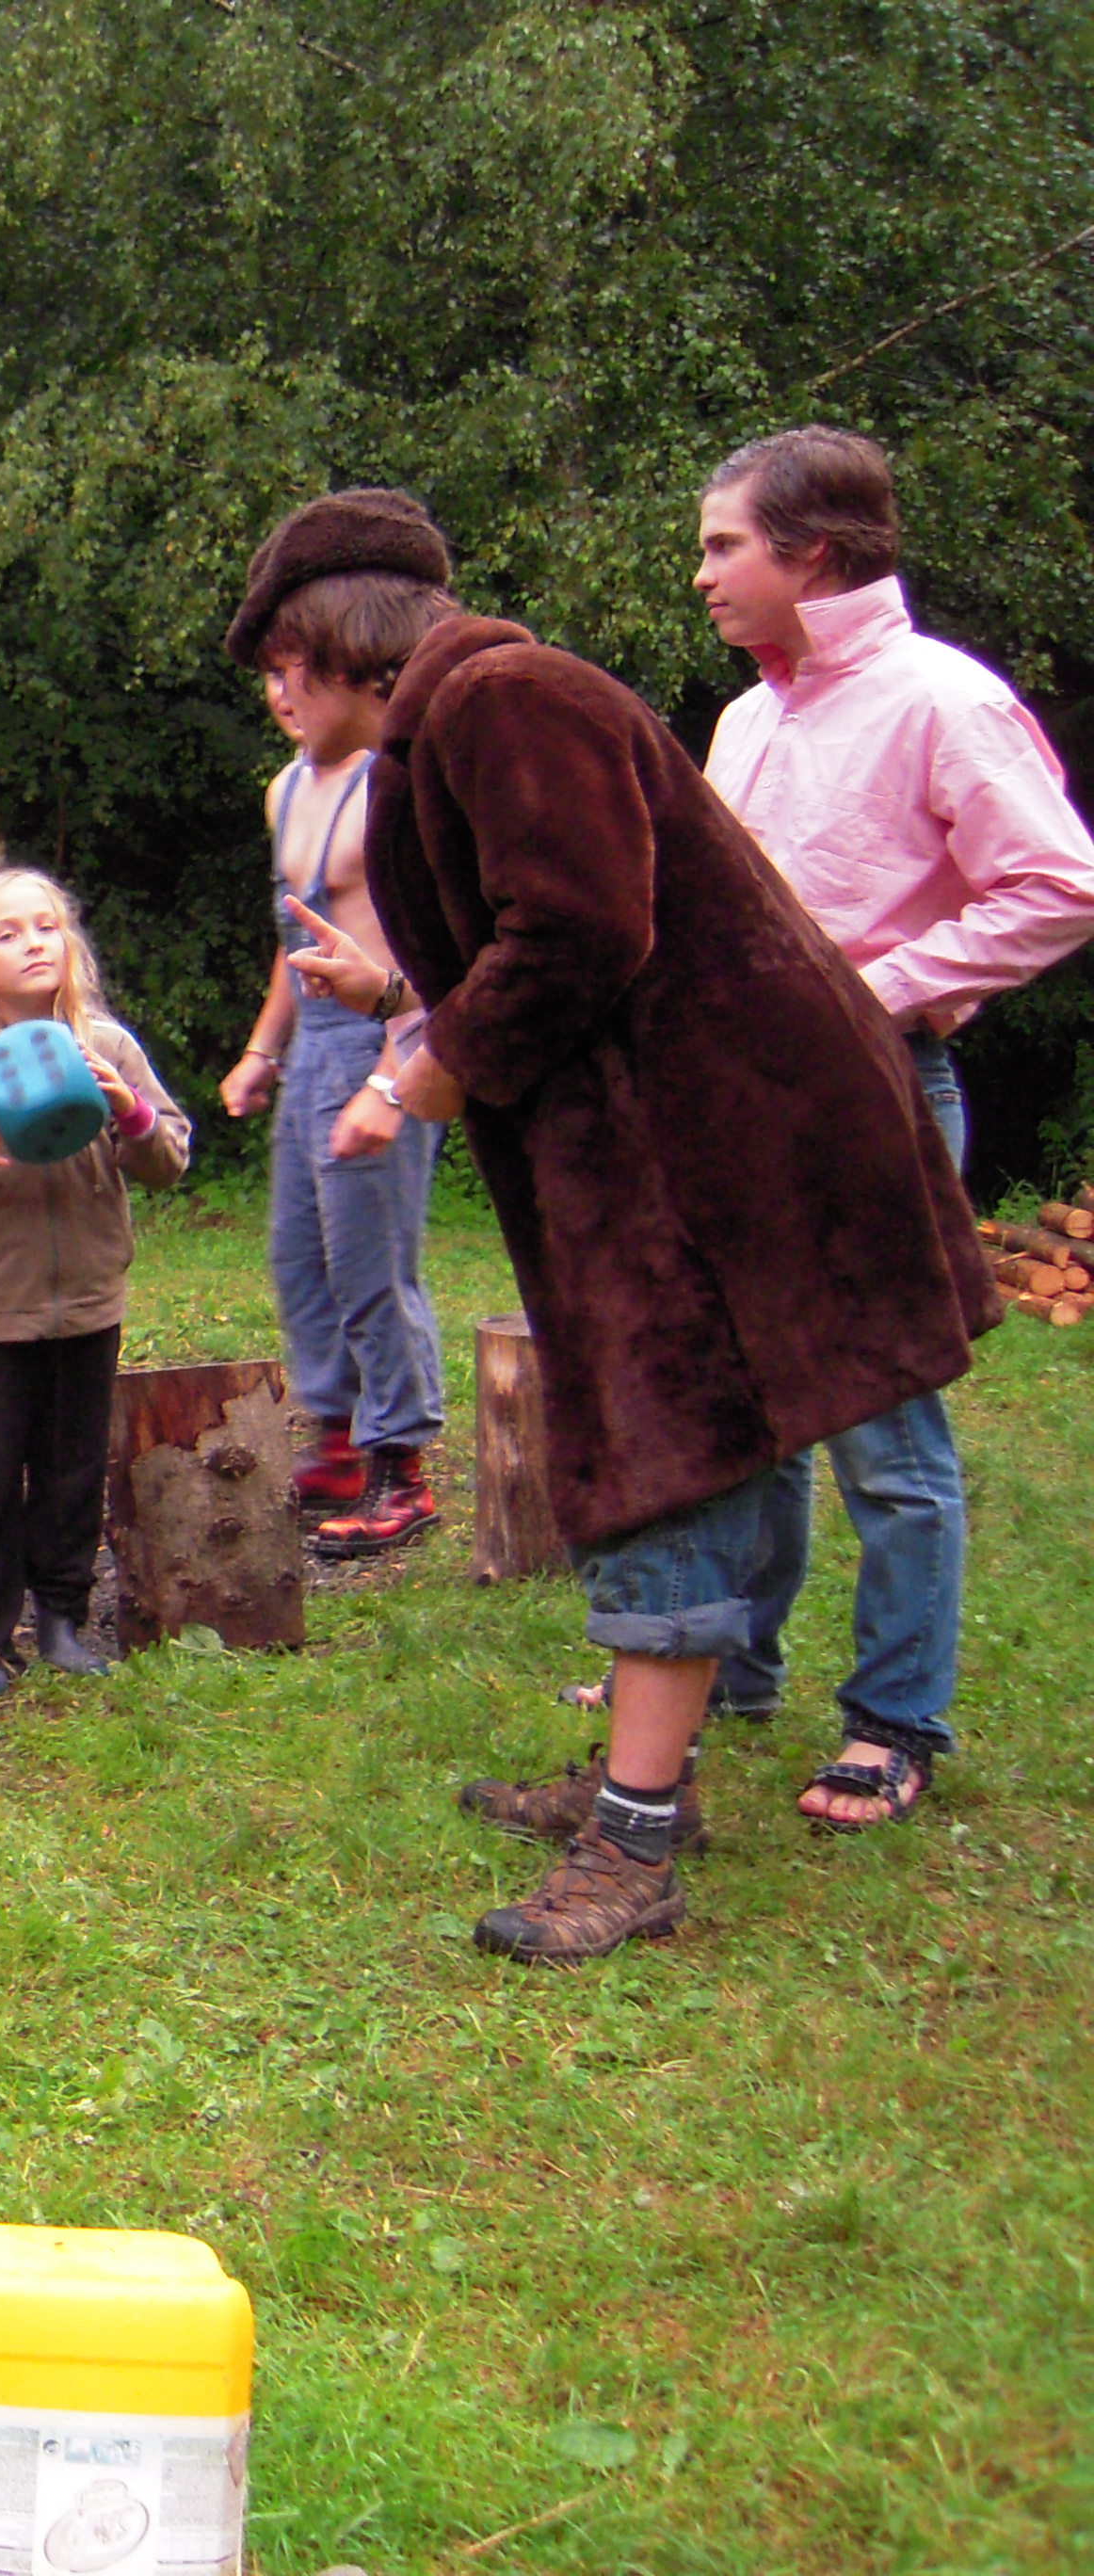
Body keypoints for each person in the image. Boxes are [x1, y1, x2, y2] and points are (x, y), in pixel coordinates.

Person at [226, 488, 996, 1962]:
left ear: (337, 639)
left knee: (659, 1457)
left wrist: (443, 1061)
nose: (274, 694)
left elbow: (583, 925)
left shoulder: (506, 697)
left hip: (724, 1152)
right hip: (671, 1148)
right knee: (686, 1448)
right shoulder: (458, 723)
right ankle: (662, 1779)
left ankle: (637, 1841)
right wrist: (413, 1010)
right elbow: (549, 924)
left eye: (280, 662)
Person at [663, 425, 1094, 1829]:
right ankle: (730, 1669)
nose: (703, 573)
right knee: (749, 1408)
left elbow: (1058, 884)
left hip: (876, 1098)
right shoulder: (748, 718)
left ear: (812, 553)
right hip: (739, 1100)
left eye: (725, 544)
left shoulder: (941, 700)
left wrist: (876, 990)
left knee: (880, 1423)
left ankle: (895, 1720)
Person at [0, 871, 191, 1698]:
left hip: (88, 1300)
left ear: (69, 945)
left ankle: (62, 1622)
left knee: (73, 1472)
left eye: (46, 927)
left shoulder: (108, 1048)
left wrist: (131, 1114)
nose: (32, 944)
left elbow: (169, 1158)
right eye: (9, 933)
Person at [218, 609, 447, 1555]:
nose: (282, 696)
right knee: (300, 1259)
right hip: (312, 1045)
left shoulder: (392, 785)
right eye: (269, 678)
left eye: (297, 674)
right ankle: (340, 1444)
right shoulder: (285, 790)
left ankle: (403, 1469)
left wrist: (392, 1082)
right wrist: (261, 1052)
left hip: (384, 1033)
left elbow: (433, 946)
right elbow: (298, 938)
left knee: (369, 1264)